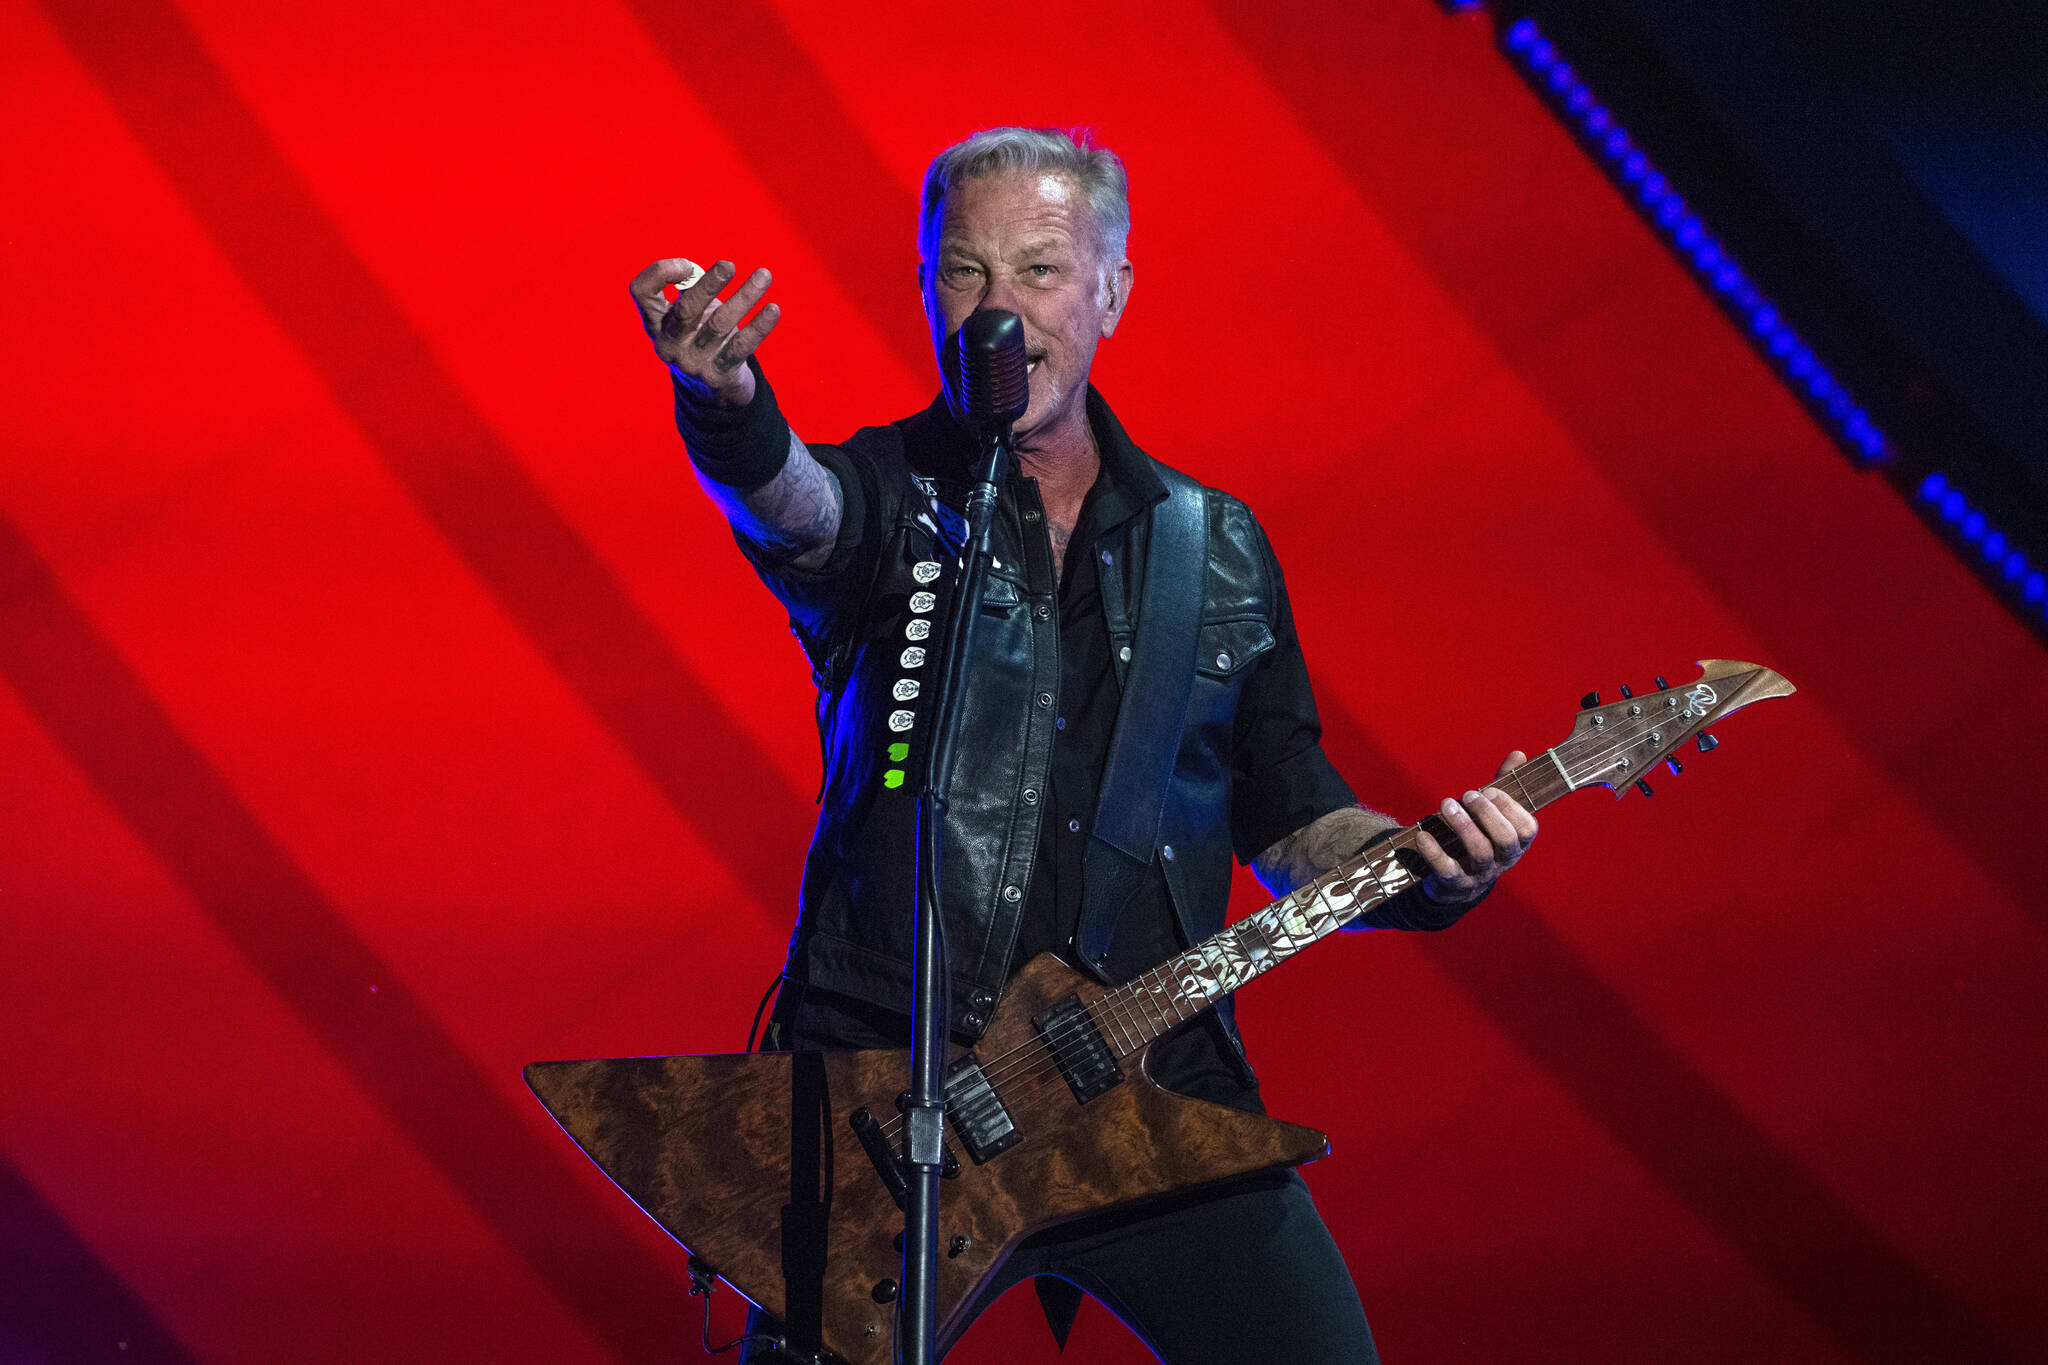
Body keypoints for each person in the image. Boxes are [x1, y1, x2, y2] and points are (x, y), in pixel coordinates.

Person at [627, 127, 1537, 1364]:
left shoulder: (1213, 546)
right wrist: (724, 402)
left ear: (1111, 288)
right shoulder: (892, 498)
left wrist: (1428, 867)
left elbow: (1289, 812)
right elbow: (793, 504)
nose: (996, 315)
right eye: (964, 273)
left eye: (1039, 272)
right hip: (890, 1099)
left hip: (1146, 1090)